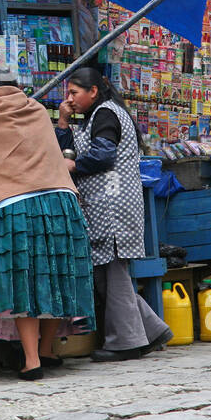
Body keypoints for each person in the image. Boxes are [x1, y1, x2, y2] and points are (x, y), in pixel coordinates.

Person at [0, 69, 96, 380]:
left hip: (14, 207)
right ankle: (47, 349)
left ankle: (32, 361)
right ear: (15, 88)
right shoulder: (37, 110)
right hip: (60, 203)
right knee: (54, 274)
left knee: (24, 282)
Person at [56, 67, 173, 361]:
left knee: (113, 273)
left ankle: (125, 343)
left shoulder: (106, 114)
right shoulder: (95, 117)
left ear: (92, 91)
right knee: (106, 275)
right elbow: (68, 151)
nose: (69, 98)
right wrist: (63, 121)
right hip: (105, 206)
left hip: (113, 207)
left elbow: (103, 155)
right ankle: (152, 329)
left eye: (74, 93)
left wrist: (75, 166)